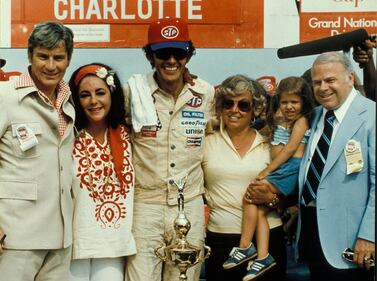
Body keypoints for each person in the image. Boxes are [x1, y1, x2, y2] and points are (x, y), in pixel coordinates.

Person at [124, 18, 215, 281]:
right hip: (146, 204)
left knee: (184, 277)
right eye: (163, 53)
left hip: (190, 204)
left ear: (189, 54)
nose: (171, 60)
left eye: (179, 52)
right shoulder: (134, 92)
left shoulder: (205, 93)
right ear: (150, 56)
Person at [0, 22, 75, 281]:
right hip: (15, 237)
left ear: (68, 60)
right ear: (30, 55)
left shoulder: (69, 100)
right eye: (43, 56)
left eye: (59, 57)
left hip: (61, 238)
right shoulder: (5, 96)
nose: (51, 66)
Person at [222, 76, 314, 280]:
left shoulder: (301, 121)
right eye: (284, 102)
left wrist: (267, 170)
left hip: (289, 169)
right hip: (285, 169)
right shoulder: (284, 122)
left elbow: (290, 149)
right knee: (260, 212)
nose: (289, 107)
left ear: (304, 102)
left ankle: (245, 246)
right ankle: (263, 256)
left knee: (250, 197)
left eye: (294, 102)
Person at [296, 51, 375, 281]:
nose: (323, 88)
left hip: (354, 244)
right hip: (314, 237)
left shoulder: (371, 116)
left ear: (350, 78)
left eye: (330, 80)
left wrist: (369, 236)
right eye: (317, 82)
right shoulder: (316, 116)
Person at [202, 74, 287, 281]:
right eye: (228, 104)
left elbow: (290, 190)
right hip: (221, 238)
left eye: (244, 105)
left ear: (255, 110)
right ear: (220, 108)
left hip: (267, 238)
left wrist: (274, 200)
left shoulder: (270, 144)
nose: (234, 110)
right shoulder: (206, 143)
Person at [68, 63, 136, 281]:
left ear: (112, 94)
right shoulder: (68, 136)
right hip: (74, 245)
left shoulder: (130, 134)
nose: (93, 101)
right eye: (85, 95)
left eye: (100, 93)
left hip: (113, 245)